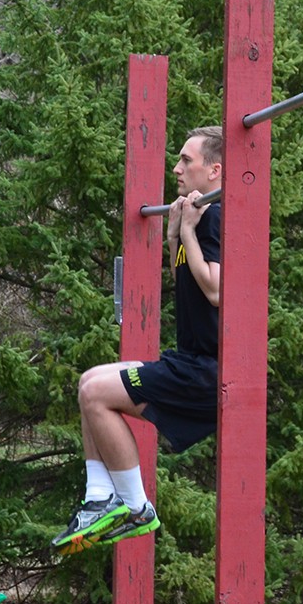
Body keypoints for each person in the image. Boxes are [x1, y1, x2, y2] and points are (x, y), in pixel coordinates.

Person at [51, 125, 224, 555]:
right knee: (89, 382)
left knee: (95, 394)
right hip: (188, 360)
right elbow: (185, 276)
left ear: (215, 170)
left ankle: (134, 505)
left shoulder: (216, 216)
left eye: (187, 160)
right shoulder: (198, 215)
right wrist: (173, 236)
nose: (177, 167)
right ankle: (98, 498)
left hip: (208, 371)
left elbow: (217, 288)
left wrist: (186, 232)